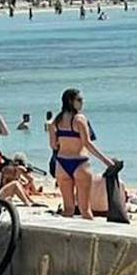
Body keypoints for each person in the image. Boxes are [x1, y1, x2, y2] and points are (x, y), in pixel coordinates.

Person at [50, 88, 111, 219]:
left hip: (61, 164)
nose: (82, 102)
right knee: (85, 210)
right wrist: (106, 161)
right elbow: (87, 144)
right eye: (79, 100)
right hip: (80, 163)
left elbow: (53, 145)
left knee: (68, 209)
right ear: (70, 101)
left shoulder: (56, 120)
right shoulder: (79, 119)